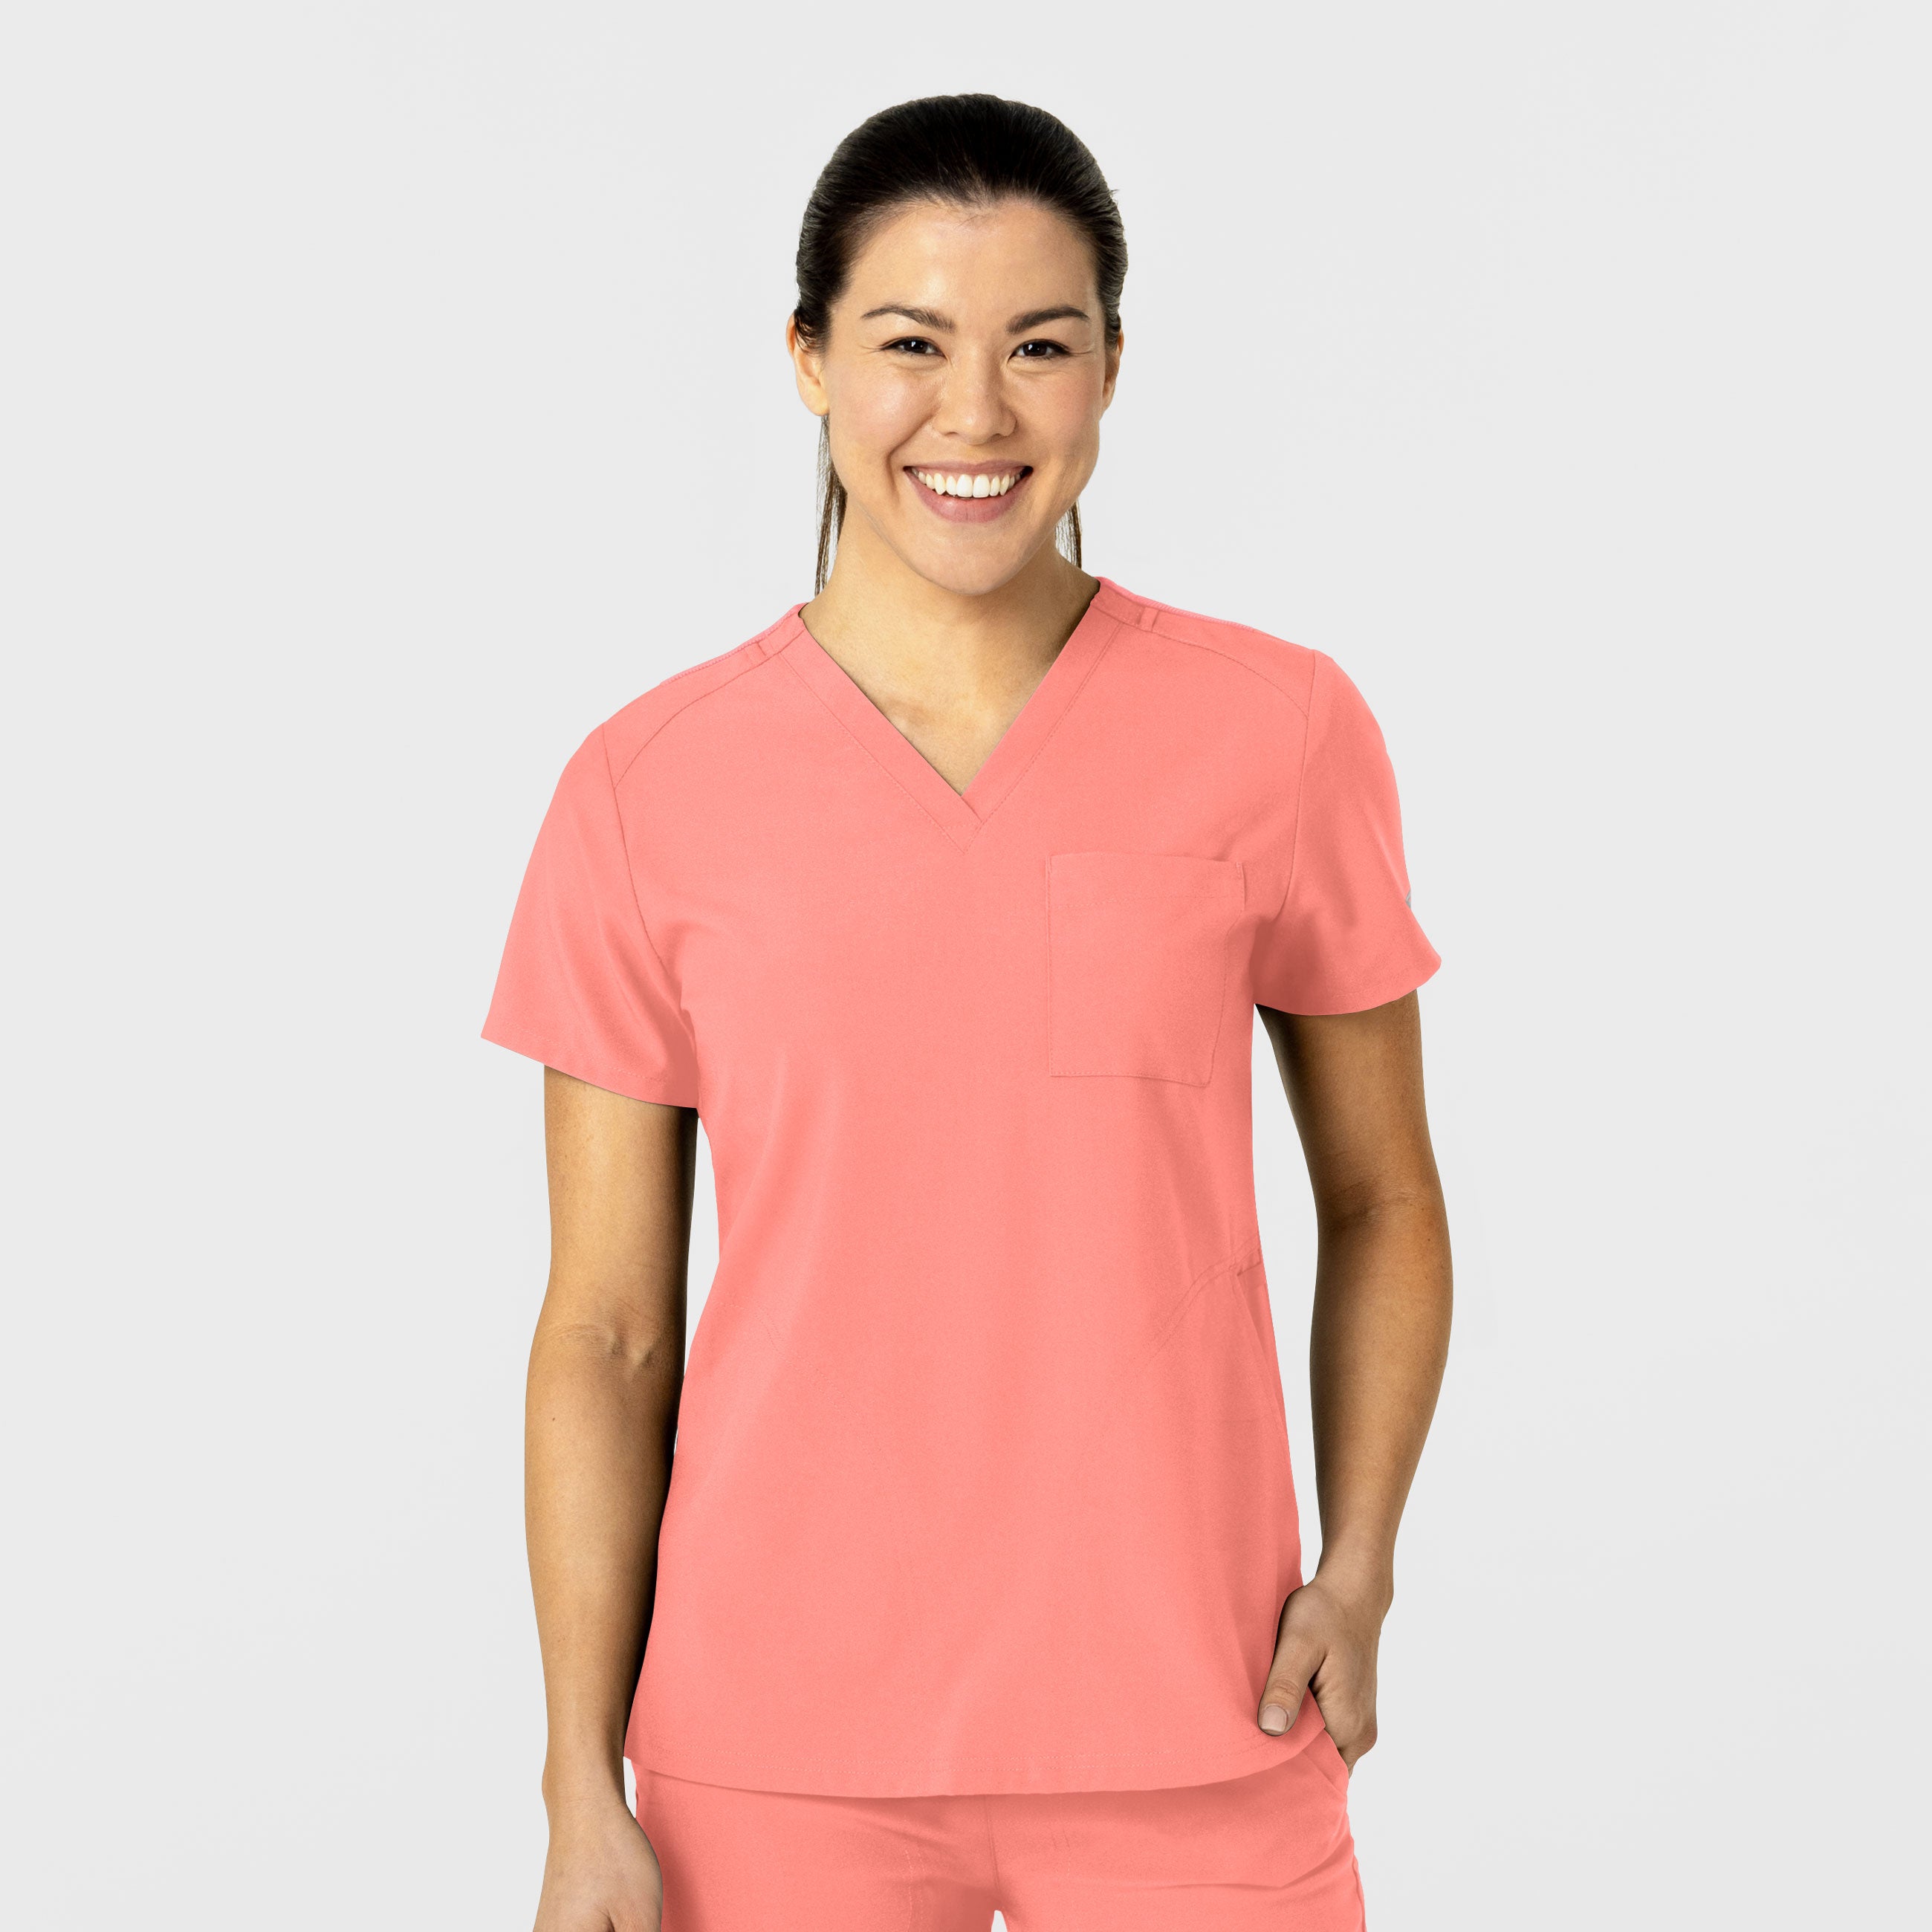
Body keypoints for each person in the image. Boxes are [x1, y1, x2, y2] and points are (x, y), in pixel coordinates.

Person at [483, 92, 1452, 1932]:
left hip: (1203, 1715)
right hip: (773, 1751)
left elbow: (1385, 1194)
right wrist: (575, 1779)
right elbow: (605, 1331)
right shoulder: (646, 788)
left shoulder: (1278, 731)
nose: (978, 413)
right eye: (911, 344)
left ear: (1111, 370)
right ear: (807, 359)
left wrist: (1362, 1562)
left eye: (1040, 346)